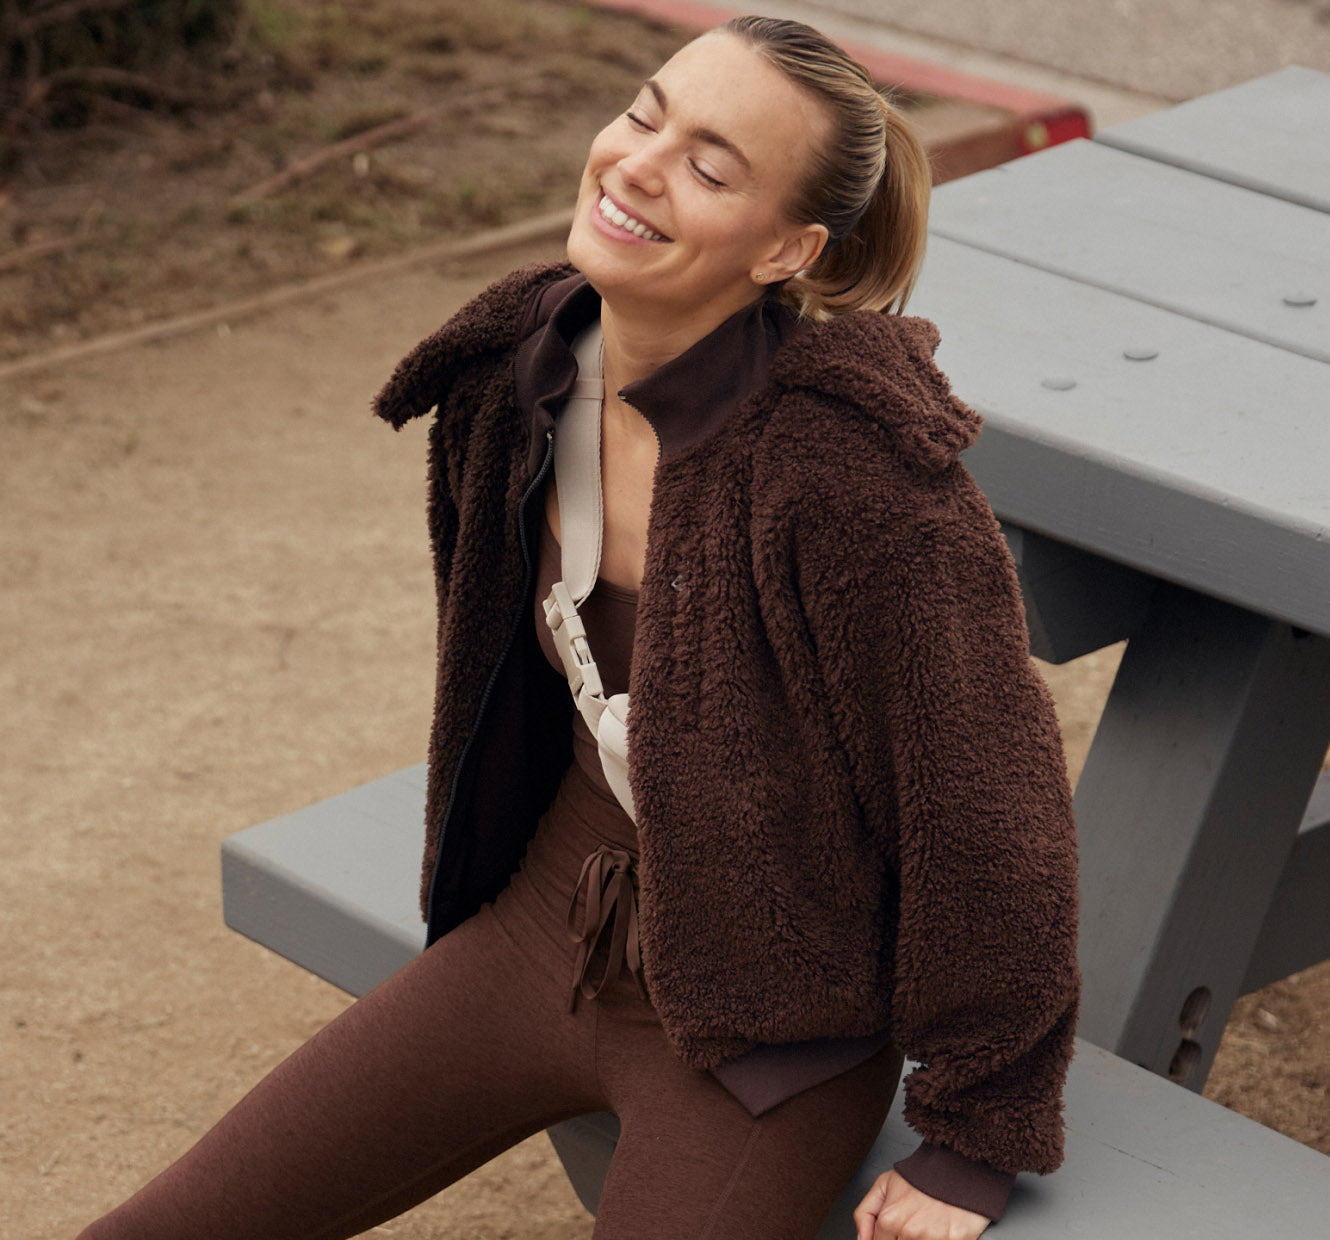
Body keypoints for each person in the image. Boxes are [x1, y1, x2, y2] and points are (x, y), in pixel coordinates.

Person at [77, 15, 1078, 1240]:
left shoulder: (858, 481)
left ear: (788, 247)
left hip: (766, 1024)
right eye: (645, 113)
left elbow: (989, 811)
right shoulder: (519, 369)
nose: (639, 165)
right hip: (545, 919)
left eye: (712, 167)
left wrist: (974, 1137)